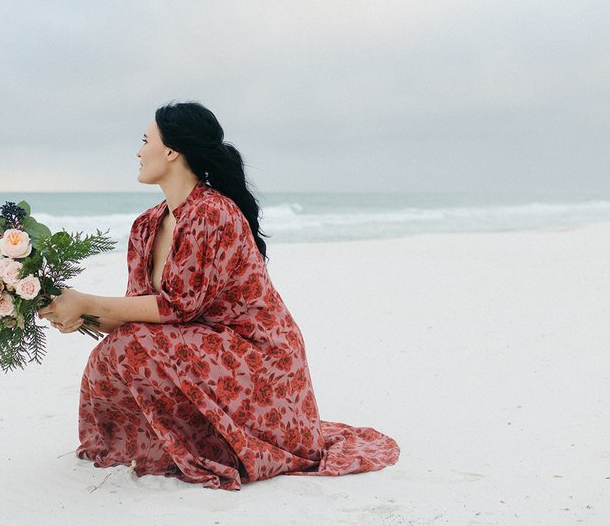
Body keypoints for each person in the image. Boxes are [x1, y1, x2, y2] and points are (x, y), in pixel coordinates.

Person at [39, 101, 399, 490]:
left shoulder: (212, 213)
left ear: (172, 151)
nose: (139, 151)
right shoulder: (146, 225)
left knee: (127, 348)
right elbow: (140, 314)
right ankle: (182, 443)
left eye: (146, 141)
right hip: (206, 349)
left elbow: (177, 307)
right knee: (113, 350)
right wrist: (70, 312)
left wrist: (88, 300)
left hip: (259, 356)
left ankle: (218, 445)